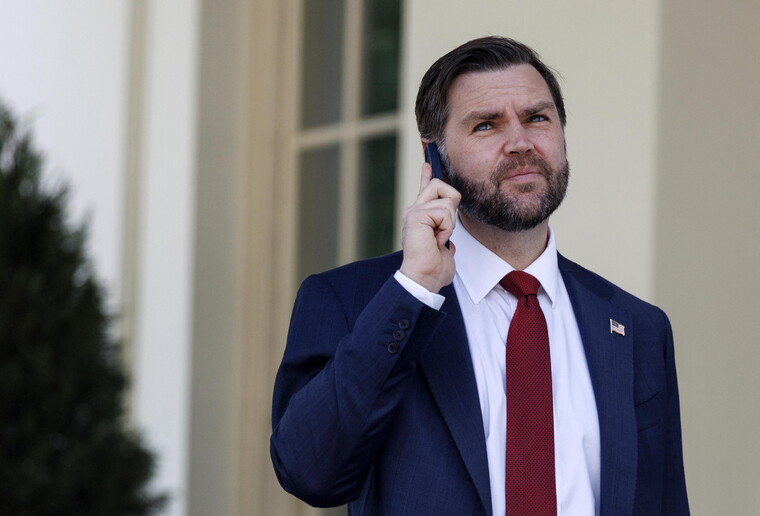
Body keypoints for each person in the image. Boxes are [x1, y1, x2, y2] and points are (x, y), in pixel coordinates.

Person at [271, 36, 689, 516]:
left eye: (537, 118)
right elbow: (310, 473)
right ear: (435, 157)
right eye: (486, 125)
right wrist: (415, 289)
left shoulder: (638, 327)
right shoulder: (353, 299)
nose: (521, 143)